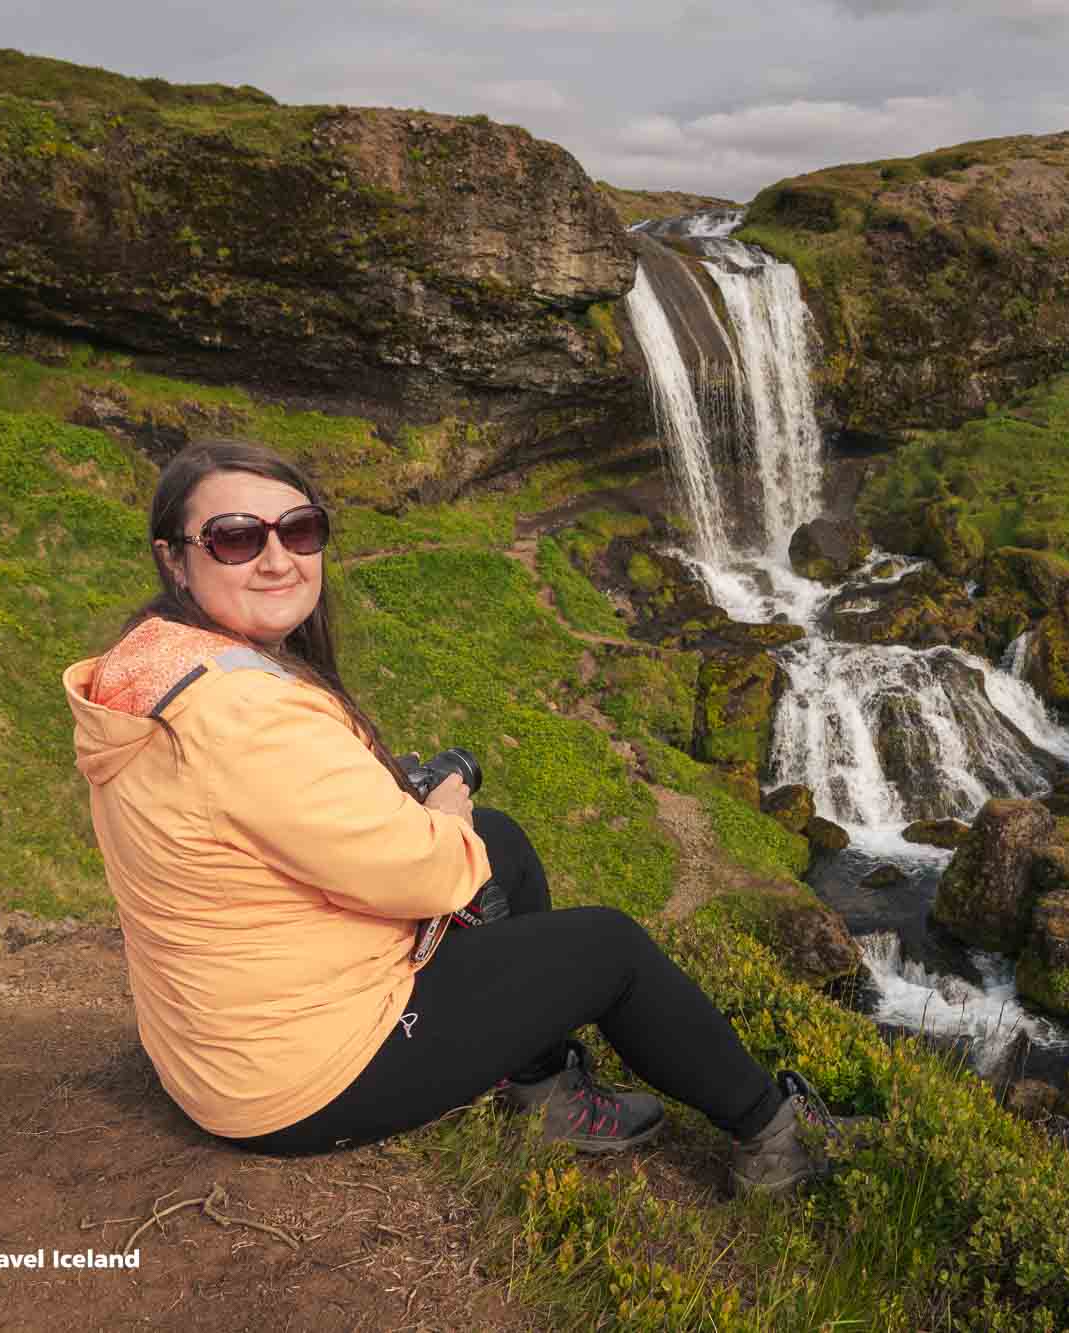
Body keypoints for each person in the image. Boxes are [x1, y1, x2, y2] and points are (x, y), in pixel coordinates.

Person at [62, 439, 850, 1195]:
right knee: (609, 947)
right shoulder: (249, 715)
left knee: (498, 842)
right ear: (175, 557)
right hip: (296, 1075)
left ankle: (542, 1093)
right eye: (235, 538)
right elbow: (430, 874)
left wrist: (442, 822)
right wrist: (441, 809)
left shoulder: (163, 666)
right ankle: (777, 1140)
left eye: (300, 530)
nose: (278, 557)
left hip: (232, 1037)